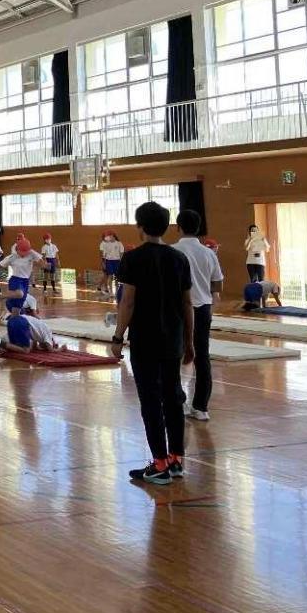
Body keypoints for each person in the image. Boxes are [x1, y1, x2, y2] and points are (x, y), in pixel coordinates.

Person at [109, 202, 194, 485]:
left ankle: (159, 464)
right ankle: (176, 459)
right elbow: (187, 304)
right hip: (173, 338)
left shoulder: (133, 258)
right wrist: (189, 341)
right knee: (173, 397)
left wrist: (118, 337)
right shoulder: (178, 258)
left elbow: (128, 302)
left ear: (140, 226)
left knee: (151, 401)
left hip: (145, 340)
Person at [172, 210, 223, 422]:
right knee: (202, 356)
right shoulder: (208, 253)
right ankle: (201, 407)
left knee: (174, 355)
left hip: (177, 309)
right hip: (202, 308)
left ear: (178, 227)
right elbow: (217, 284)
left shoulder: (172, 251)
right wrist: (208, 299)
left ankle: (179, 402)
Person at [0, 237, 44, 313]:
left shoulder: (31, 254)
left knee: (17, 310)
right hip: (16, 279)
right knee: (20, 294)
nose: (24, 254)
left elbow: (38, 263)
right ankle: (1, 296)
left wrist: (44, 265)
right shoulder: (12, 256)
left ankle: (9, 316)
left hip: (24, 281)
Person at [0, 312, 66, 357]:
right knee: (26, 350)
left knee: (16, 344)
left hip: (20, 320)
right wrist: (61, 349)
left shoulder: (41, 333)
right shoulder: (48, 335)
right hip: (23, 324)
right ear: (52, 341)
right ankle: (1, 343)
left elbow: (35, 344)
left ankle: (1, 343)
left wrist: (38, 347)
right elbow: (51, 350)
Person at [98, 232, 124, 298]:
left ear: (114, 236)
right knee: (110, 276)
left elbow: (121, 253)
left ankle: (117, 291)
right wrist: (103, 263)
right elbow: (104, 254)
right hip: (109, 261)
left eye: (110, 236)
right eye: (108, 236)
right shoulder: (106, 244)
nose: (109, 238)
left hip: (117, 261)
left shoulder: (119, 243)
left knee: (117, 277)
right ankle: (111, 292)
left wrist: (121, 262)